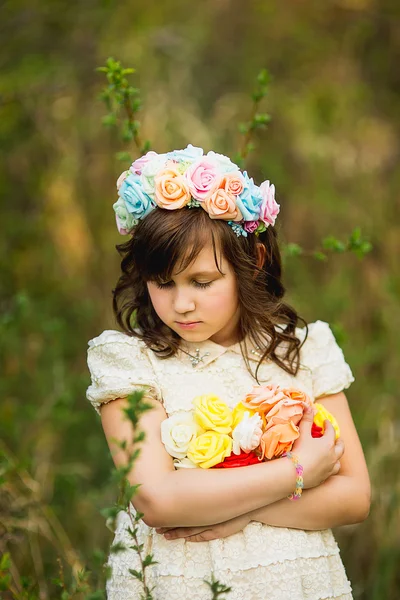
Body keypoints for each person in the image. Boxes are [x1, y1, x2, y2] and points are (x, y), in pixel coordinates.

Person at [86, 145, 371, 600]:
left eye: (202, 282)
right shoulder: (128, 360)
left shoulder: (303, 349)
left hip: (296, 581)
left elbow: (354, 496)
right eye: (163, 283)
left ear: (252, 261)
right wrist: (298, 472)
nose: (181, 304)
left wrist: (242, 514)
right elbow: (159, 500)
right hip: (179, 583)